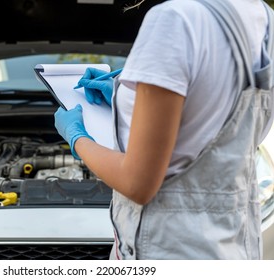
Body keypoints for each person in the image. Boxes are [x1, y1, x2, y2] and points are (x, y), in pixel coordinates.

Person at [54, 0, 274, 259]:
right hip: (230, 249)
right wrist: (125, 95)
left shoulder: (174, 19)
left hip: (167, 249)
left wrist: (77, 137)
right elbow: (224, 128)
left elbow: (138, 183)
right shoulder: (265, 18)